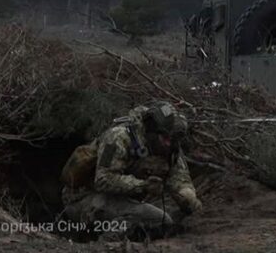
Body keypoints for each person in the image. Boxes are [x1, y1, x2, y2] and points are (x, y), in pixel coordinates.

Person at [61, 101, 202, 240]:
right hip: (84, 199)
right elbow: (103, 179)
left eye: (173, 139)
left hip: (119, 200)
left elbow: (179, 178)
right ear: (152, 130)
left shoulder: (170, 145)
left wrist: (188, 199)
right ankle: (105, 241)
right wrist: (143, 186)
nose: (169, 144)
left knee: (164, 220)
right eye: (165, 138)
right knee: (159, 219)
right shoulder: (118, 137)